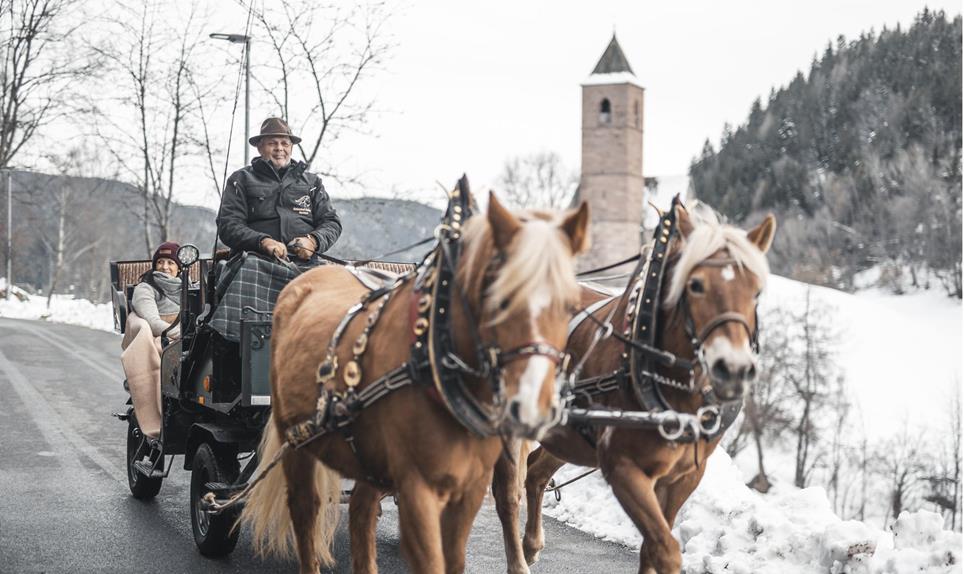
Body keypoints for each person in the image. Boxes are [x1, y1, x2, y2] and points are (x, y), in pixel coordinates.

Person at [216, 117, 342, 261]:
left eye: (285, 143)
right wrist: (262, 241)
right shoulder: (240, 179)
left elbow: (331, 222)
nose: (279, 148)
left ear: (291, 147)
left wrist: (313, 241)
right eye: (272, 143)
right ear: (259, 147)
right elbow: (228, 224)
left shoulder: (313, 182)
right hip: (253, 260)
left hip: (305, 263)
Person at [120, 241, 182, 438]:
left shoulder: (189, 287)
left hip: (183, 334)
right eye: (161, 262)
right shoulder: (146, 288)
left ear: (179, 268)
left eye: (171, 263)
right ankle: (155, 411)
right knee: (168, 354)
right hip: (159, 337)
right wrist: (180, 333)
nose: (165, 267)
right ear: (154, 265)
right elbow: (153, 323)